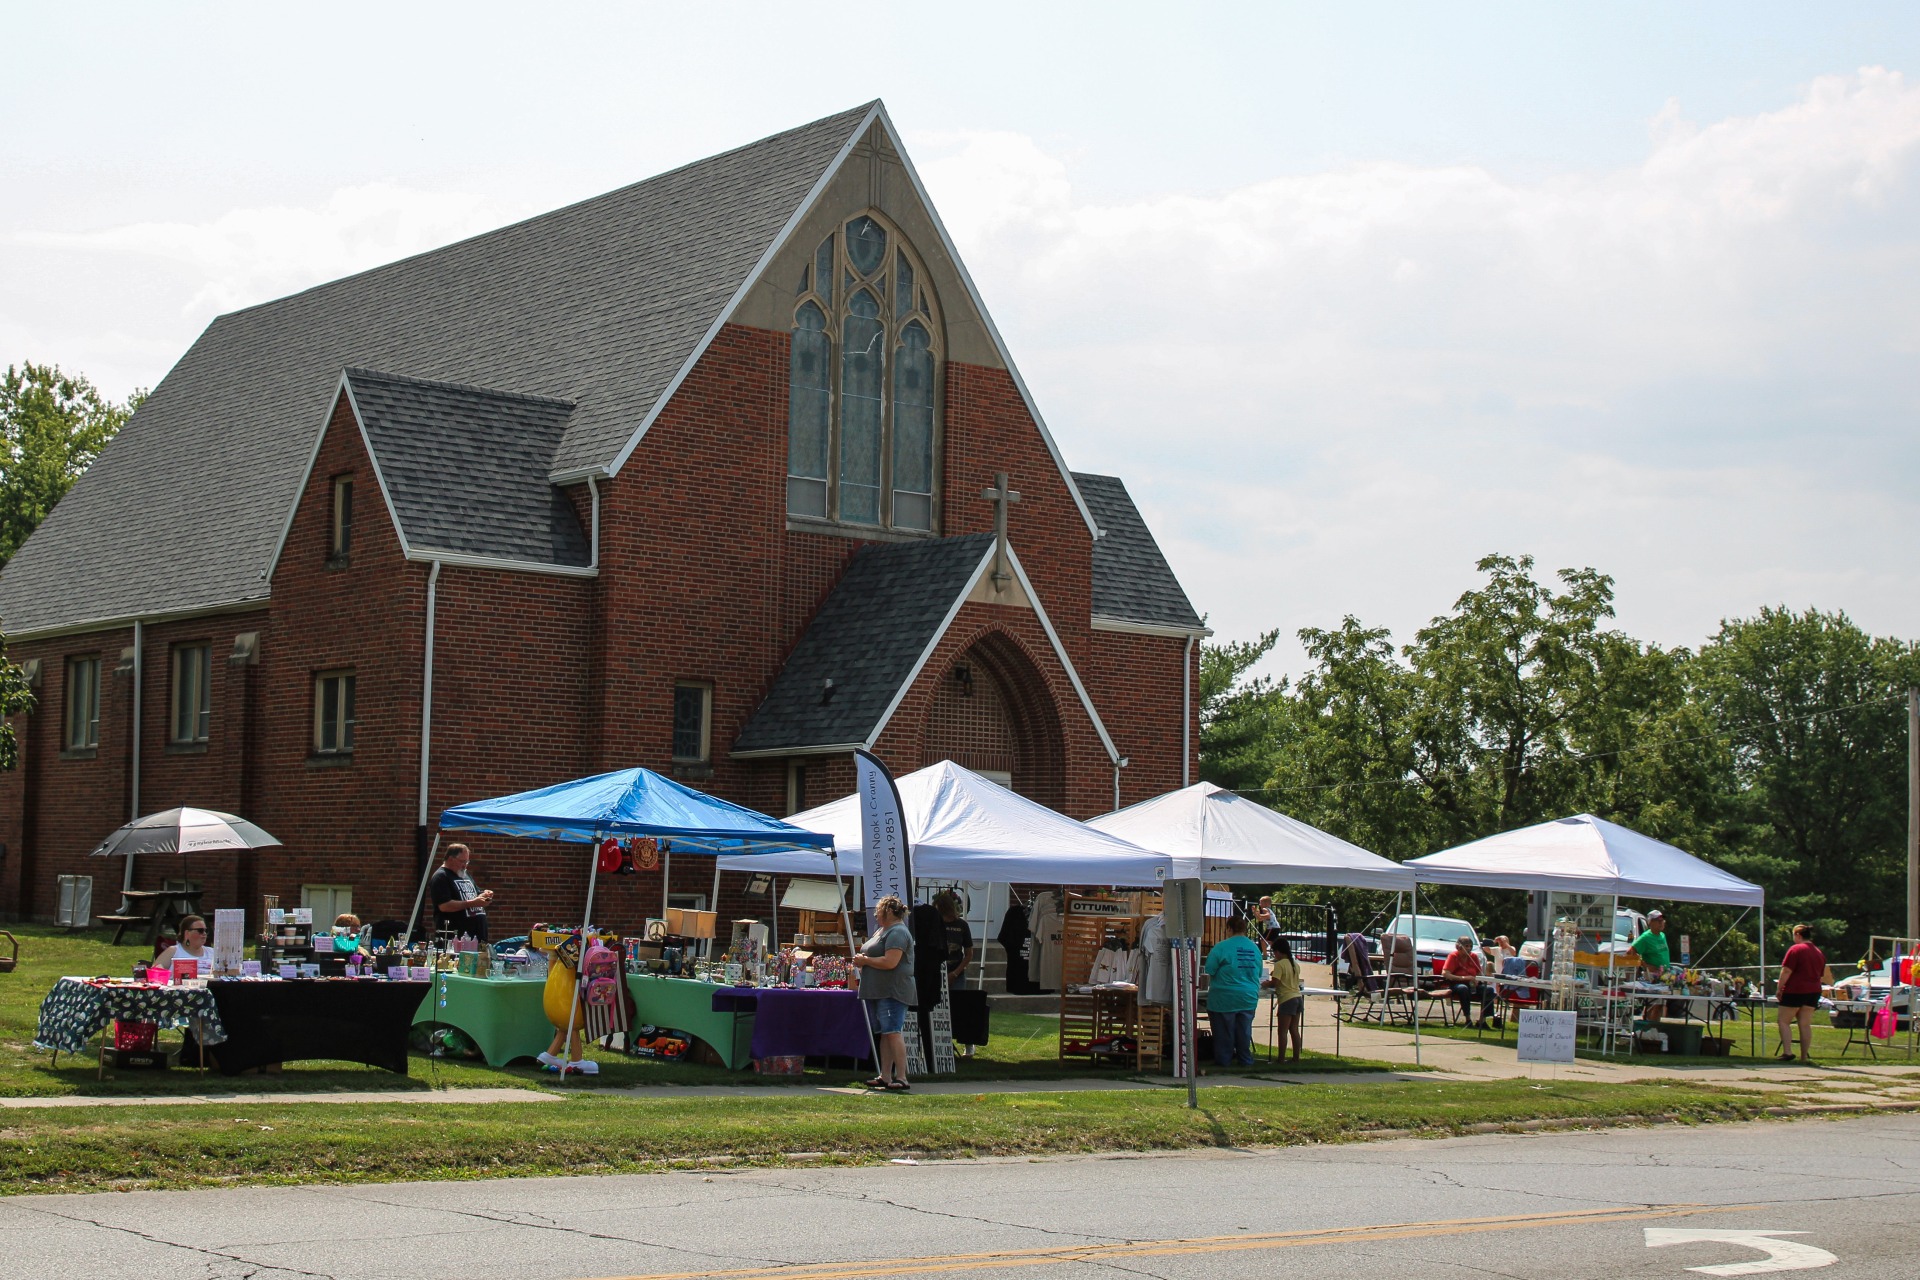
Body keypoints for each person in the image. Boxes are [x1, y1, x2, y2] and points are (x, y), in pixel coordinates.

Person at [852, 895, 916, 1091]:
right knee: (884, 1033)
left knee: (893, 1031)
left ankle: (902, 1077)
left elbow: (890, 962)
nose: (875, 914)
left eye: (878, 911)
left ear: (888, 912)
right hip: (877, 990)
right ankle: (885, 1076)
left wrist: (865, 961)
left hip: (892, 991)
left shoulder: (897, 932)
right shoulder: (882, 930)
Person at [1203, 908, 1263, 1067]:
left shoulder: (1221, 947)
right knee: (1244, 1032)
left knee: (1224, 1033)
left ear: (1229, 929)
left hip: (1224, 997)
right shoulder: (1255, 949)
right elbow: (1259, 971)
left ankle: (1224, 1060)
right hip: (1248, 996)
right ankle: (1245, 1059)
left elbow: (1209, 969)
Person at [1777, 923, 1826, 1063]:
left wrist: (1779, 988)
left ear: (1798, 935)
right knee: (1804, 1024)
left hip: (1795, 990)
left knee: (1783, 1021)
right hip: (1813, 991)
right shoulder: (1818, 952)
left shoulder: (1796, 949)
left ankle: (1787, 1052)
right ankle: (1804, 1056)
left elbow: (1786, 970)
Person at [430, 843, 494, 941]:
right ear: (451, 859)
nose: (465, 866)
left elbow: (475, 894)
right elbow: (444, 906)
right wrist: (473, 903)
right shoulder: (441, 876)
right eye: (462, 861)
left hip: (477, 936)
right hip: (456, 938)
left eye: (467, 862)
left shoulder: (463, 874)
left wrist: (484, 895)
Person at [1442, 935, 1496, 1027]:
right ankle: (1468, 1019)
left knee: (1488, 990)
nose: (1469, 948)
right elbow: (1446, 973)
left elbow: (1479, 973)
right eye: (1466, 946)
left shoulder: (1474, 956)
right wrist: (1464, 978)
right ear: (1459, 947)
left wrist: (1477, 980)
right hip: (1457, 984)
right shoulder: (1453, 956)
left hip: (1472, 984)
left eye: (1470, 946)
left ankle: (1482, 1020)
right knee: (1463, 989)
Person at [1630, 909, 1672, 1020]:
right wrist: (1645, 965)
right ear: (1650, 923)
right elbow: (1631, 952)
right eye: (1658, 921)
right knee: (1653, 1003)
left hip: (1664, 975)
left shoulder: (1662, 935)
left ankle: (1654, 1028)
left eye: (1662, 921)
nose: (1661, 923)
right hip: (1652, 977)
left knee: (1660, 1004)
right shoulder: (1646, 937)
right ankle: (1649, 1027)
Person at [1270, 935, 1305, 1063]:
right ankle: (1296, 1057)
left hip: (1286, 999)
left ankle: (1281, 1058)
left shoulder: (1280, 964)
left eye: (1274, 952)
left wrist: (1266, 983)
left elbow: (1275, 983)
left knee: (1282, 1031)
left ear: (1278, 951)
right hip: (1297, 997)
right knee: (1294, 1029)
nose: (1274, 955)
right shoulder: (1294, 964)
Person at [933, 890, 975, 988]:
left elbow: (969, 954)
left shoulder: (962, 925)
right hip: (937, 973)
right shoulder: (935, 924)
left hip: (957, 974)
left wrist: (955, 973)